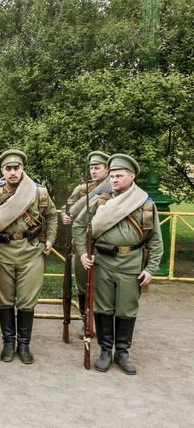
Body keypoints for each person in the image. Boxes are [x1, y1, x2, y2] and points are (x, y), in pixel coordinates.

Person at [73, 154, 162, 375]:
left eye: (119, 175)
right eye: (112, 175)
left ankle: (122, 353)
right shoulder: (101, 199)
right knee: (103, 308)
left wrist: (150, 269)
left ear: (131, 176)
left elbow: (156, 240)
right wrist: (83, 252)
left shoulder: (145, 204)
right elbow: (78, 225)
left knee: (126, 309)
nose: (114, 180)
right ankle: (105, 352)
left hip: (131, 264)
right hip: (102, 262)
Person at [0, 149, 57, 364]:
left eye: (16, 168)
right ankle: (9, 343)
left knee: (27, 301)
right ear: (2, 170)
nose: (12, 172)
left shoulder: (38, 192)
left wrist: (50, 240)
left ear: (22, 169)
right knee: (5, 300)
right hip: (3, 253)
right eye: (8, 168)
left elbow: (52, 216)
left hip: (31, 253)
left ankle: (24, 345)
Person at [62, 151, 111, 338]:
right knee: (83, 285)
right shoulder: (83, 189)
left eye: (97, 168)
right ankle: (86, 320)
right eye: (91, 168)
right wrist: (65, 217)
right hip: (81, 244)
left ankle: (103, 322)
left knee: (102, 286)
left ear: (107, 169)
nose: (93, 171)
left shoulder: (113, 189)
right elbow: (68, 208)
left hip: (104, 245)